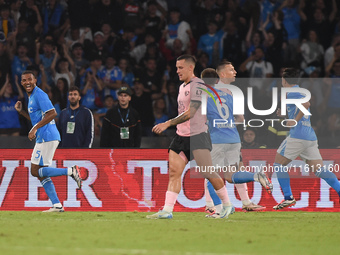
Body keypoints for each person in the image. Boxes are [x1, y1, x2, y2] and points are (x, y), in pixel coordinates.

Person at [146, 55, 234, 220]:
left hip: (198, 136)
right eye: (176, 67)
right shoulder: (182, 87)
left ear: (190, 68)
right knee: (174, 172)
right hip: (181, 136)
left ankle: (228, 206)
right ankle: (167, 210)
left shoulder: (199, 86)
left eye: (180, 67)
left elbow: (191, 112)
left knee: (209, 173)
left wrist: (167, 123)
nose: (177, 71)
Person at [201, 64, 272, 217]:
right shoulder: (231, 93)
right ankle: (255, 177)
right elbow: (240, 118)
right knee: (230, 175)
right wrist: (229, 125)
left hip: (216, 139)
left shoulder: (206, 92)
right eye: (231, 70)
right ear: (221, 74)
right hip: (233, 138)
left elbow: (202, 118)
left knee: (211, 174)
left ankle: (216, 209)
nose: (235, 72)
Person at [14, 70, 82, 212]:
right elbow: (37, 120)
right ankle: (57, 205)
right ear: (21, 82)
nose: (27, 82)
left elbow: (52, 113)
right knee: (40, 172)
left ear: (35, 80)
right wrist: (22, 112)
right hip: (44, 136)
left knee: (35, 171)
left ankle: (71, 171)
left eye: (29, 80)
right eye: (24, 80)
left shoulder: (39, 94)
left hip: (47, 135)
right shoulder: (31, 97)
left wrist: (34, 129)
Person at [273, 68, 340, 210]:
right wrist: (284, 115)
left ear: (284, 80)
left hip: (297, 136)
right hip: (309, 137)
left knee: (278, 165)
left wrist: (294, 121)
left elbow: (306, 104)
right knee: (320, 170)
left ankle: (288, 197)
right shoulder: (299, 90)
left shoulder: (289, 92)